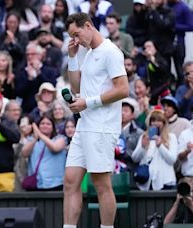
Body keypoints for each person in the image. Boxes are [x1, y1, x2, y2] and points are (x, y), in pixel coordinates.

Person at [63, 12, 129, 228]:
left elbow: (123, 90)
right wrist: (72, 57)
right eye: (72, 36)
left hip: (101, 127)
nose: (76, 39)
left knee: (101, 185)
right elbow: (75, 88)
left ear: (89, 26)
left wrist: (87, 103)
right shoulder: (88, 53)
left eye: (77, 34)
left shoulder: (111, 52)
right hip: (84, 126)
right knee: (71, 181)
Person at [132, 109, 178, 190]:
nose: (156, 123)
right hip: (146, 182)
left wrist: (160, 146)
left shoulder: (171, 137)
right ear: (149, 123)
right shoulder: (144, 137)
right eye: (153, 120)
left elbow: (172, 160)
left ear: (164, 123)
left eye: (159, 120)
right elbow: (135, 159)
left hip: (165, 182)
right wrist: (142, 146)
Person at [21, 113, 67, 191]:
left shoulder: (60, 138)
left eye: (48, 124)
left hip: (56, 184)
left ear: (53, 127)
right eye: (42, 123)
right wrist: (35, 139)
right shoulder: (32, 140)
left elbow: (55, 148)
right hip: (36, 183)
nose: (45, 126)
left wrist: (39, 134)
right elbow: (24, 153)